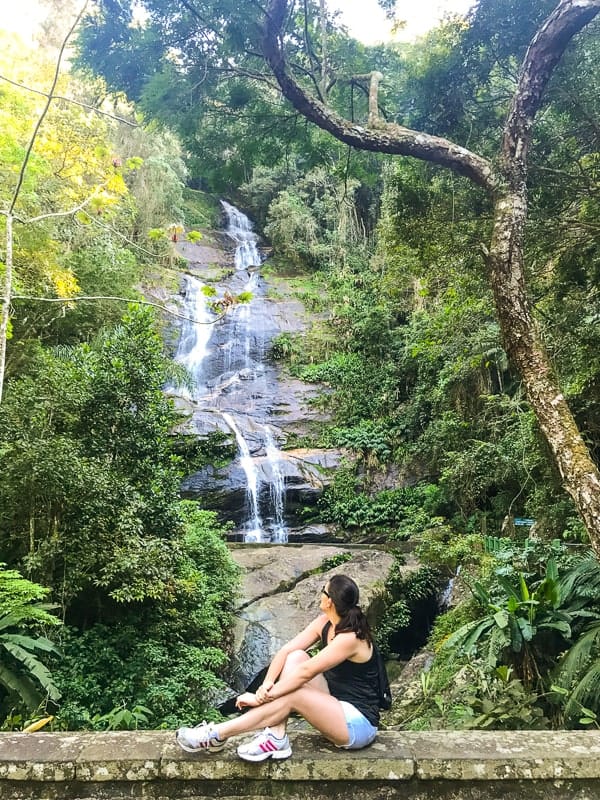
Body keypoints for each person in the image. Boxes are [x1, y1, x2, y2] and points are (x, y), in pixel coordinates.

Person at [176, 574, 380, 761]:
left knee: (295, 692)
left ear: (330, 601)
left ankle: (216, 734)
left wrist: (258, 698)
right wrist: (266, 684)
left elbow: (306, 673)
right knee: (296, 657)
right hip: (334, 705)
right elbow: (285, 651)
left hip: (358, 724)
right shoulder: (324, 623)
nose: (320, 595)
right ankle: (276, 735)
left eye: (323, 591)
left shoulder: (350, 638)